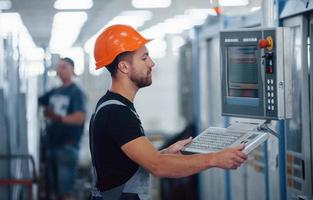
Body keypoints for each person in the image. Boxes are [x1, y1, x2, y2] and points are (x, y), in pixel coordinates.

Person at [89, 24, 247, 200]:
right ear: (124, 67)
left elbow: (126, 164)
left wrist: (165, 153)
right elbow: (158, 167)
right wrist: (215, 159)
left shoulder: (112, 105)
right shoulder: (116, 113)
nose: (151, 63)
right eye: (144, 58)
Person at [39, 57, 86, 200]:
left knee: (65, 192)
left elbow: (79, 118)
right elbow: (38, 100)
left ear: (73, 69)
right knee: (54, 192)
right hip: (51, 145)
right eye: (59, 67)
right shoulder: (55, 91)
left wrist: (57, 118)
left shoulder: (76, 92)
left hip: (67, 146)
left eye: (64, 67)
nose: (60, 70)